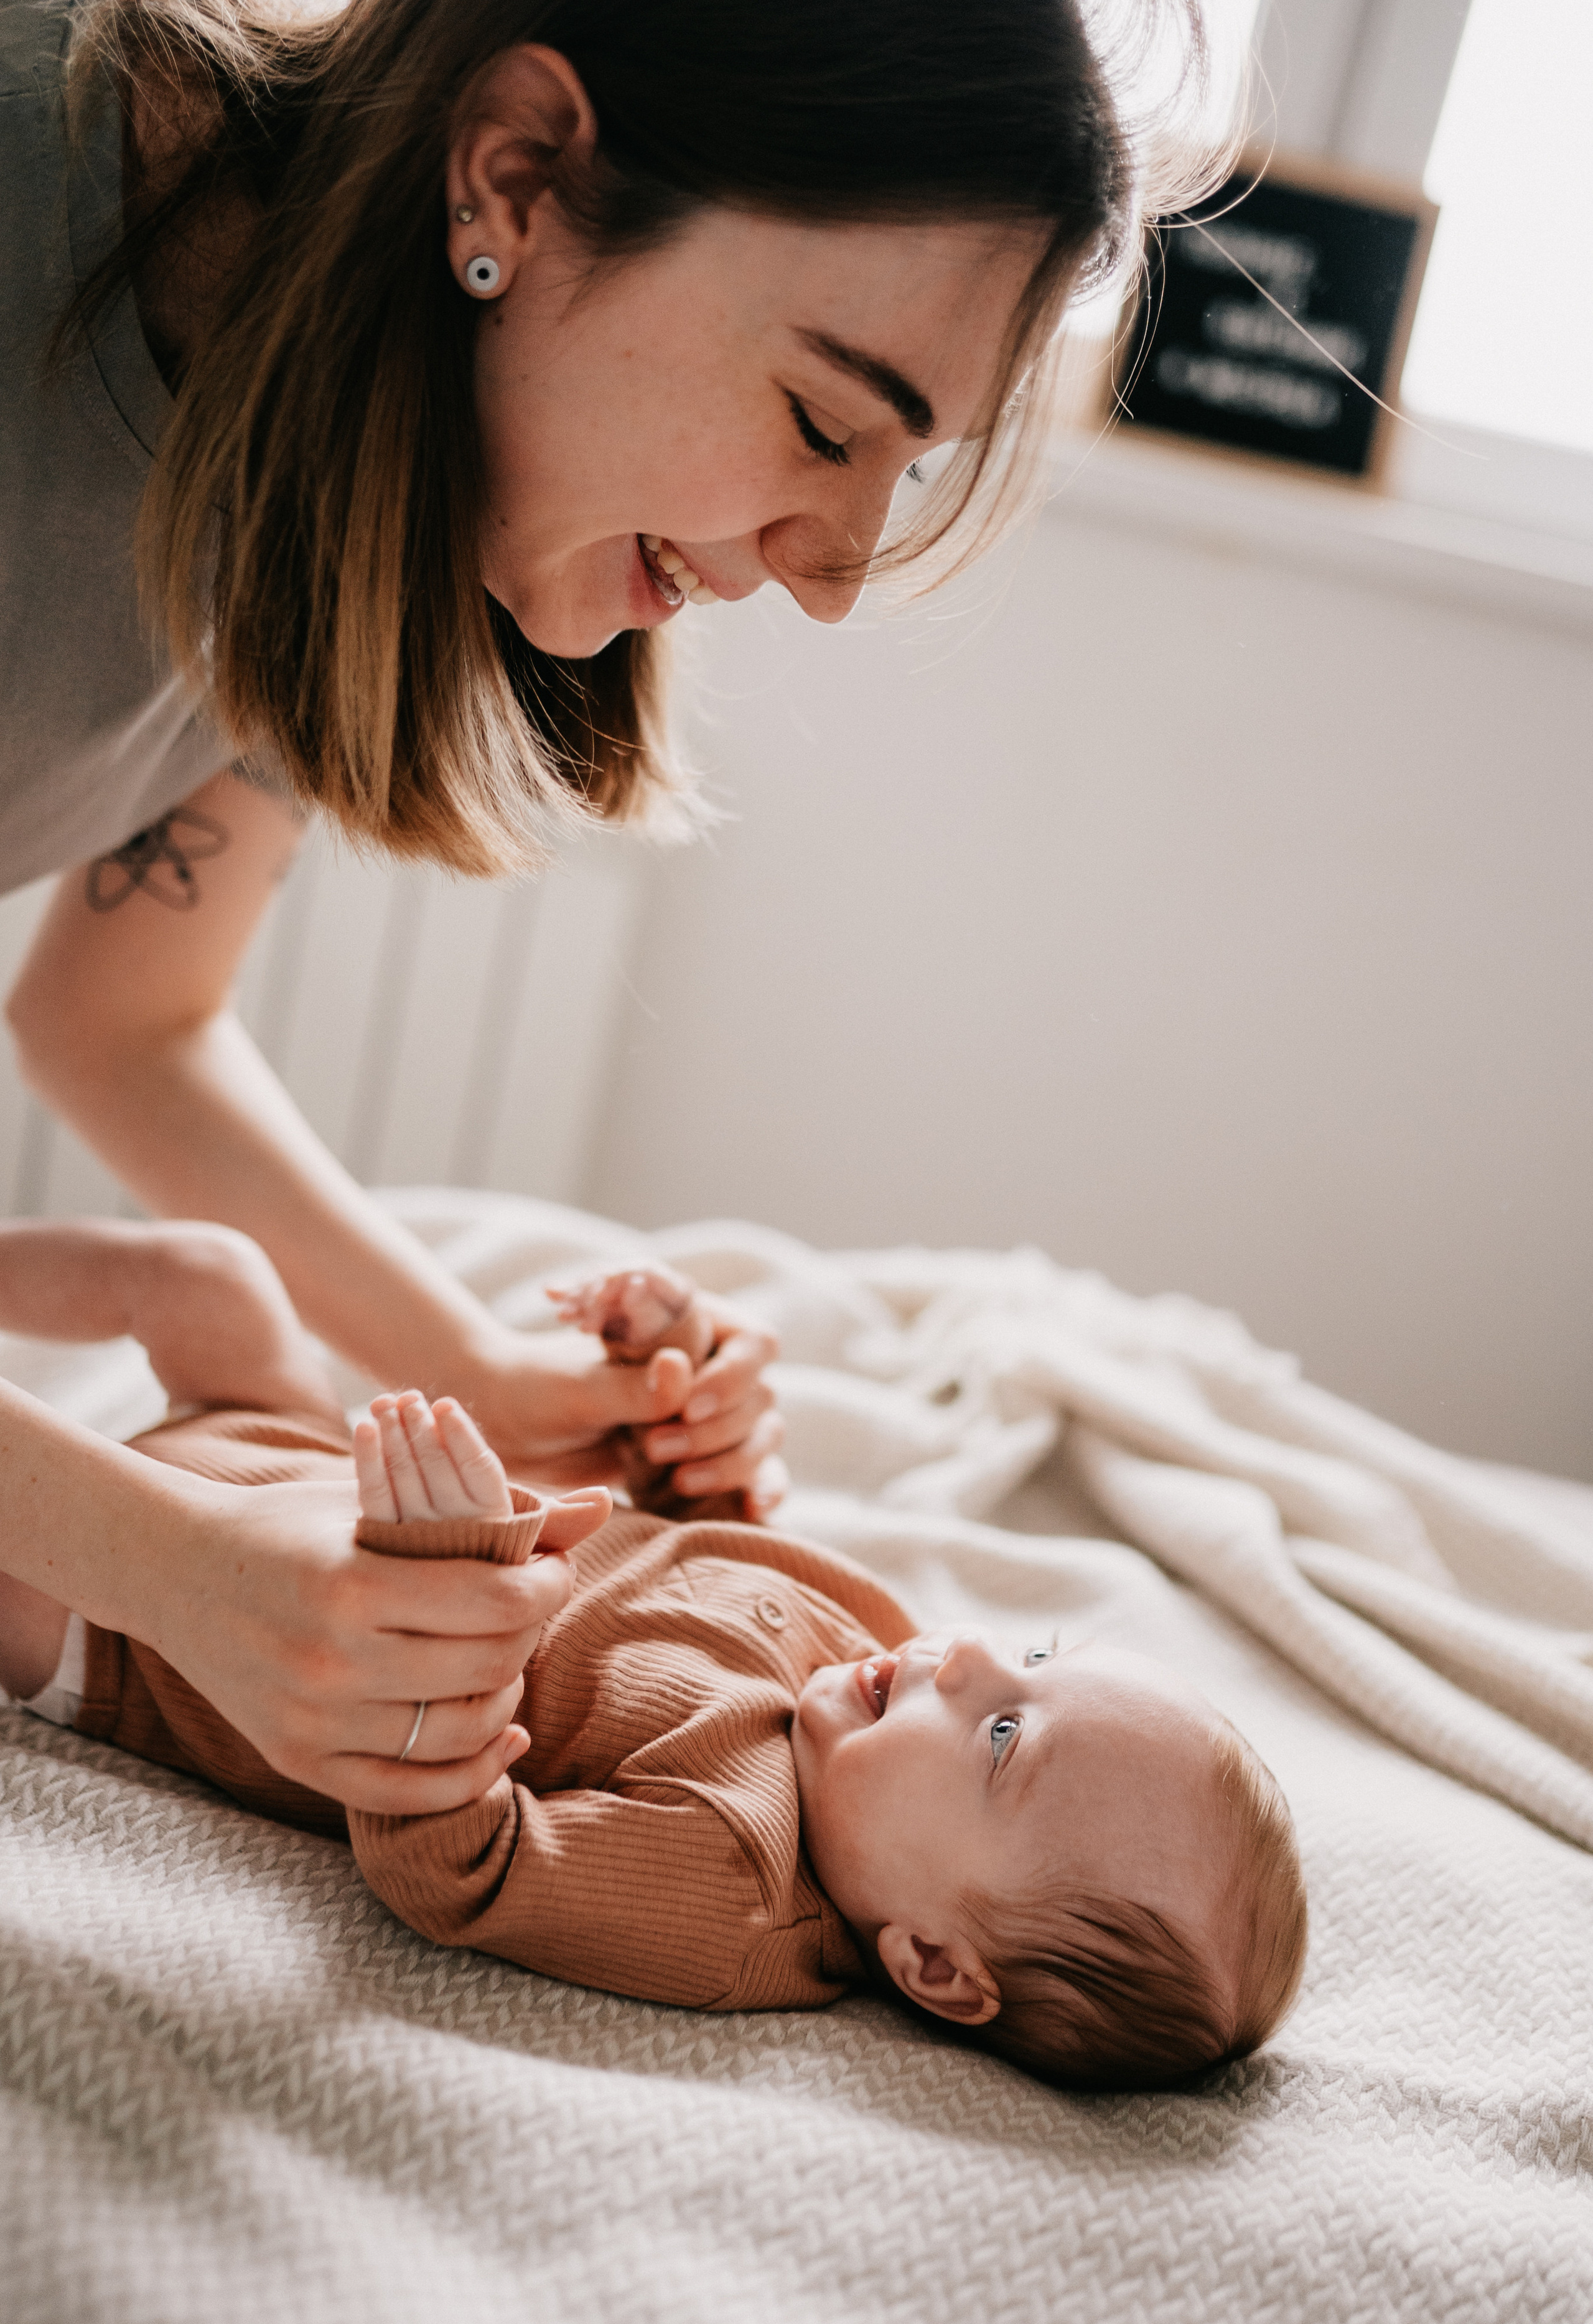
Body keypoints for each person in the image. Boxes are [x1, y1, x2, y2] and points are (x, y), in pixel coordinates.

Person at [0, 0, 1206, 1811]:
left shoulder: (316, 468)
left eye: (902, 472)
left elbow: (127, 1019)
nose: (834, 580)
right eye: (821, 419)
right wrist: (175, 1571)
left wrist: (483, 1368)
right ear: (520, 172)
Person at [0, 1226, 1307, 2092]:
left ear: (931, 1965)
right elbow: (704, 1560)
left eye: (1005, 1737)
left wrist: (445, 1566)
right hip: (283, 1462)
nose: (963, 1659)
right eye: (1029, 1654)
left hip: (151, 1640)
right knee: (207, 1272)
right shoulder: (862, 1672)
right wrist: (670, 1396)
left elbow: (462, 1868)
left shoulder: (726, 1882)